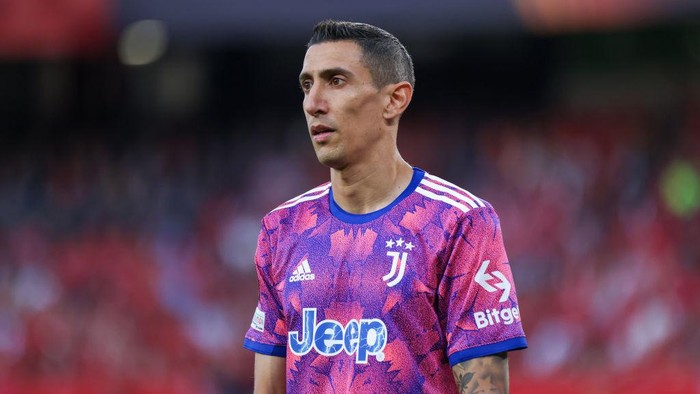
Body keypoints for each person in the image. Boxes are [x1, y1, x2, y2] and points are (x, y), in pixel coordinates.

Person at [243, 20, 527, 393]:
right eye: (307, 85)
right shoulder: (281, 228)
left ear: (395, 99)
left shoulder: (461, 222)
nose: (313, 104)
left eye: (336, 81)